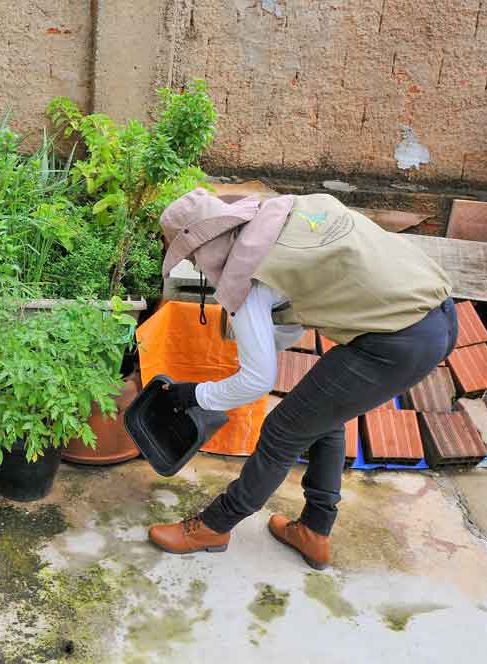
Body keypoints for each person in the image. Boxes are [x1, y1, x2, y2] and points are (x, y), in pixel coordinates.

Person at [148, 188, 455, 569]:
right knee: (322, 415)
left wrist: (194, 395)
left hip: (395, 340)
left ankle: (214, 526)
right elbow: (292, 323)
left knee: (282, 430)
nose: (195, 265)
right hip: (438, 313)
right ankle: (314, 529)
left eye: (191, 257)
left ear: (203, 248)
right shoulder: (288, 215)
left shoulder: (246, 277)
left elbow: (258, 381)